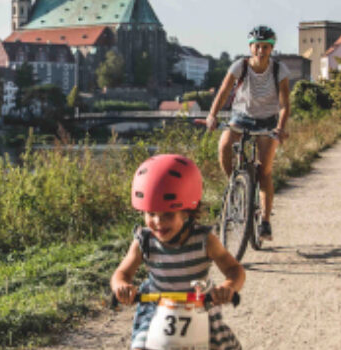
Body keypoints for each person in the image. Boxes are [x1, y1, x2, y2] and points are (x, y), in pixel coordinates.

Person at [111, 154, 245, 350]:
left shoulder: (205, 241)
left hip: (200, 307)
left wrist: (229, 286)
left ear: (187, 211)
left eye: (167, 215)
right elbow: (122, 273)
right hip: (157, 308)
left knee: (219, 345)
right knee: (141, 345)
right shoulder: (144, 241)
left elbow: (234, 269)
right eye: (151, 214)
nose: (158, 222)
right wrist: (122, 286)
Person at [206, 25, 291, 240]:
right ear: (250, 47)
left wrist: (280, 127)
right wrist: (212, 115)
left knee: (264, 172)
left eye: (266, 47)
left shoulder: (279, 70)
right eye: (257, 46)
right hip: (241, 117)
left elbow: (284, 105)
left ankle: (265, 221)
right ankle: (234, 185)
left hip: (267, 121)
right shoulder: (240, 66)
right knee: (224, 145)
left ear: (271, 49)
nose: (261, 51)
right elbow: (223, 92)